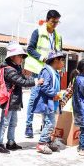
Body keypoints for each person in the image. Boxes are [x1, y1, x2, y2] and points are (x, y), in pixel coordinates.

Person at [0, 42, 44, 154]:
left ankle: (10, 142)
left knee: (13, 123)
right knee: (4, 123)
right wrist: (36, 81)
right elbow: (21, 81)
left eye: (22, 56)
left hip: (14, 100)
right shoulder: (9, 69)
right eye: (20, 56)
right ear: (12, 57)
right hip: (9, 101)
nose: (22, 58)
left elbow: (23, 79)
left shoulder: (15, 68)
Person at [24, 10, 63, 138]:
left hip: (51, 70)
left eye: (57, 22)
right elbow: (30, 49)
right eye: (53, 22)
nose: (55, 25)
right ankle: (28, 125)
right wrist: (42, 58)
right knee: (35, 96)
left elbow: (59, 53)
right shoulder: (38, 32)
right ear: (47, 20)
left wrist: (59, 66)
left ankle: (45, 125)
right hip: (38, 68)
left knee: (49, 96)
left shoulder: (58, 36)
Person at [33, 51, 66, 154]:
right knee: (50, 122)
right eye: (62, 61)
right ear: (56, 60)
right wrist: (54, 94)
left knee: (50, 122)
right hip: (47, 102)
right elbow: (44, 86)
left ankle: (48, 141)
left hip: (52, 102)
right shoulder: (47, 71)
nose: (63, 64)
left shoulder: (54, 71)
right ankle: (42, 143)